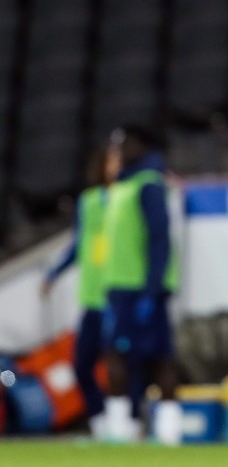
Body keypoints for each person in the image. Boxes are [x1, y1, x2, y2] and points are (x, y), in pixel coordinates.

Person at [100, 125, 181, 445]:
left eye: (125, 142)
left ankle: (166, 429)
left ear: (142, 145)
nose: (118, 147)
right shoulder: (124, 185)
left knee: (159, 356)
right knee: (120, 354)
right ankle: (123, 425)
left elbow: (158, 240)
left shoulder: (148, 184)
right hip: (120, 286)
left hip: (140, 288)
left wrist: (151, 290)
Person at [41, 148, 114, 438]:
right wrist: (53, 274)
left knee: (121, 364)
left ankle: (128, 421)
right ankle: (100, 420)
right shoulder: (90, 201)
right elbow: (78, 244)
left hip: (121, 295)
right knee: (82, 365)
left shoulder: (131, 197)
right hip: (93, 297)